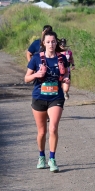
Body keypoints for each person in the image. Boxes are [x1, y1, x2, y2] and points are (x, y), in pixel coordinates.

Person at [24, 31, 70, 173]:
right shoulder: (36, 58)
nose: (51, 44)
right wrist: (37, 74)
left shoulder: (62, 58)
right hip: (39, 97)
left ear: (56, 43)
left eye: (53, 41)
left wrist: (66, 83)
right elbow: (26, 78)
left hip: (56, 97)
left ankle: (52, 159)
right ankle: (41, 156)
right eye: (48, 42)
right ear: (44, 43)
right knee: (42, 132)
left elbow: (66, 75)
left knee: (53, 128)